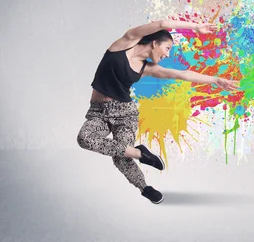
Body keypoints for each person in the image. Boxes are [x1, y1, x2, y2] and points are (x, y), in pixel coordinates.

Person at [76, 20, 239, 204]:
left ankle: (145, 188)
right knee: (85, 138)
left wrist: (215, 79)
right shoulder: (126, 43)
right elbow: (161, 22)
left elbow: (182, 74)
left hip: (125, 114)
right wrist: (194, 28)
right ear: (155, 43)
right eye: (167, 48)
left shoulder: (147, 68)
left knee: (121, 158)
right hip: (98, 112)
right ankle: (142, 154)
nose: (167, 54)